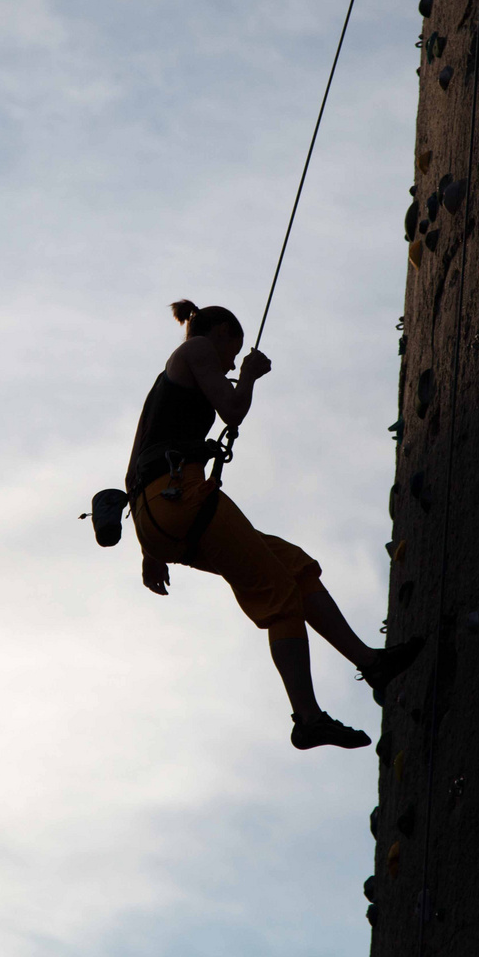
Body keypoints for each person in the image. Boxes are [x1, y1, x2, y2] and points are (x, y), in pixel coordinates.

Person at [126, 299, 424, 750]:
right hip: (182, 499)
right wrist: (248, 376)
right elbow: (232, 410)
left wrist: (150, 551)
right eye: (234, 350)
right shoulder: (199, 349)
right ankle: (308, 718)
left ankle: (368, 660)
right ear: (222, 333)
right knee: (279, 597)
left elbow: (134, 467)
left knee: (293, 566)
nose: (228, 361)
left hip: (160, 516)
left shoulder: (162, 390)